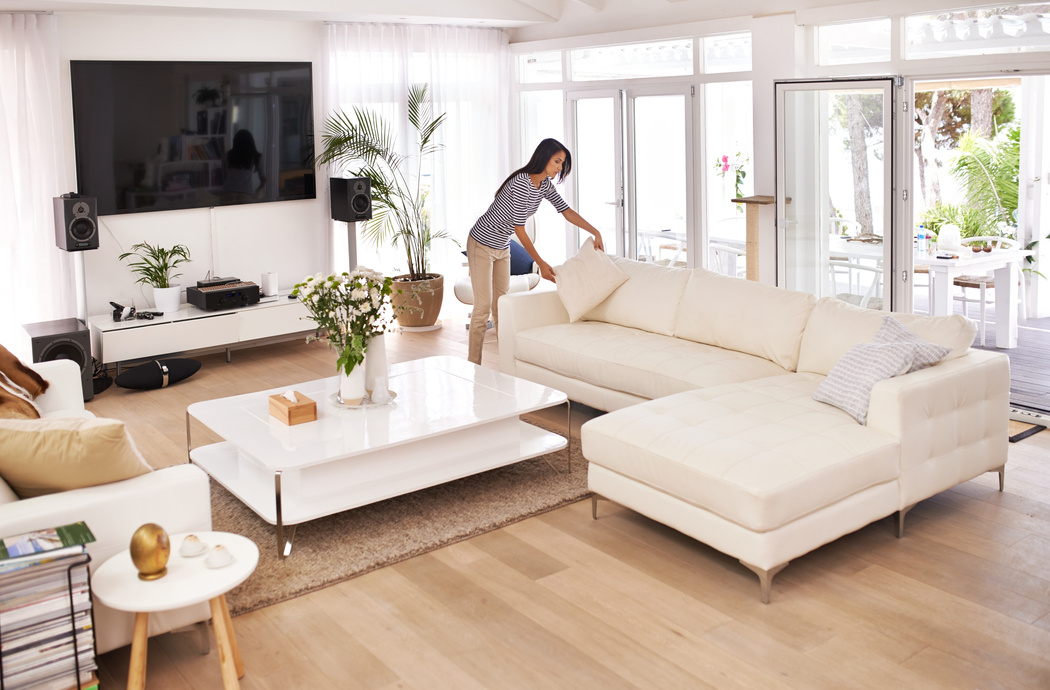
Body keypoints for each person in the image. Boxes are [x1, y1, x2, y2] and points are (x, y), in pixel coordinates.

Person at [466, 137, 604, 365]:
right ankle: (473, 367)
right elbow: (519, 229)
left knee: (501, 305)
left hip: (502, 246)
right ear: (544, 157)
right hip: (481, 243)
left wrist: (595, 230)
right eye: (557, 161)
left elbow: (566, 211)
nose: (560, 168)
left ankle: (507, 365)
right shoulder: (521, 182)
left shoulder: (544, 185)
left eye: (562, 164)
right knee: (482, 309)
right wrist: (540, 262)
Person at [220, 129, 266, 202]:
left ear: (235, 142)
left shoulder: (226, 156)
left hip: (227, 193)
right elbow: (263, 179)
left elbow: (224, 177)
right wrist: (258, 191)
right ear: (251, 142)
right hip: (245, 193)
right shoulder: (255, 156)